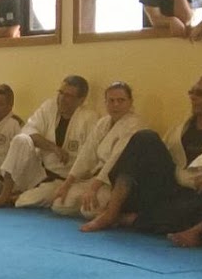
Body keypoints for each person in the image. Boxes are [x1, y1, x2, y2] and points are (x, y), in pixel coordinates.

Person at [76, 74, 202, 233]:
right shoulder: (178, 129)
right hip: (171, 187)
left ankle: (132, 218)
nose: (194, 97)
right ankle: (112, 212)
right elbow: (158, 163)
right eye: (192, 92)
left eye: (201, 93)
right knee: (145, 138)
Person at [0, 75, 97, 209]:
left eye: (68, 96)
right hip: (38, 170)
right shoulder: (49, 106)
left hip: (62, 179)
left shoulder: (89, 119)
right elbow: (28, 130)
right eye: (60, 93)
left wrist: (69, 183)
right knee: (21, 140)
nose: (61, 98)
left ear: (81, 100)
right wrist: (53, 148)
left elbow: (87, 158)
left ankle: (14, 198)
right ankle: (4, 195)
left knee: (44, 197)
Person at [51, 82, 142, 218]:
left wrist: (93, 189)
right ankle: (100, 208)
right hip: (97, 178)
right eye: (111, 100)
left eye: (121, 100)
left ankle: (121, 215)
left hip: (115, 183)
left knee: (89, 210)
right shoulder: (103, 123)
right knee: (59, 205)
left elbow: (115, 159)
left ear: (130, 102)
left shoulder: (134, 125)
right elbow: (86, 154)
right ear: (105, 102)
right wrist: (67, 183)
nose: (115, 105)